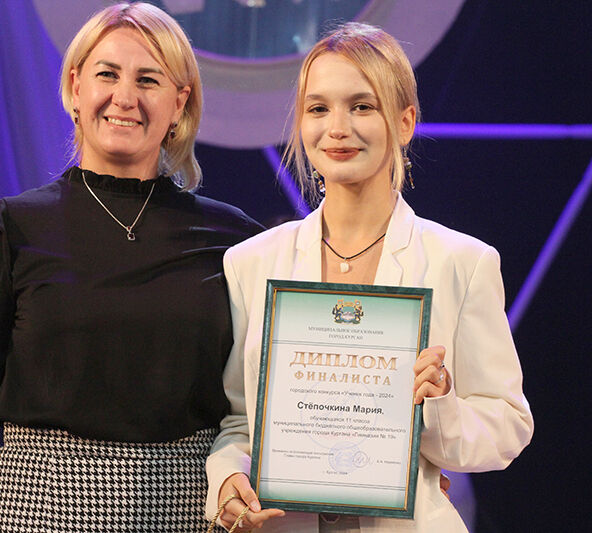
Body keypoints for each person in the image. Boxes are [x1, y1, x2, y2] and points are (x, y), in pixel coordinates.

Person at [0, 3, 262, 532]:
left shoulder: (235, 241)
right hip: (39, 513)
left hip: (189, 513)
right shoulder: (7, 233)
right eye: (107, 74)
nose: (124, 97)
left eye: (148, 79)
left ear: (179, 103)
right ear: (75, 87)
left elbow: (265, 399)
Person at [206, 22, 534, 532]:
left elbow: (507, 426)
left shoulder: (461, 261)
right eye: (318, 109)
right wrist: (229, 478)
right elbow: (240, 421)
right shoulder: (252, 262)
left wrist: (437, 406)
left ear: (404, 122)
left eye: (361, 106)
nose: (337, 128)